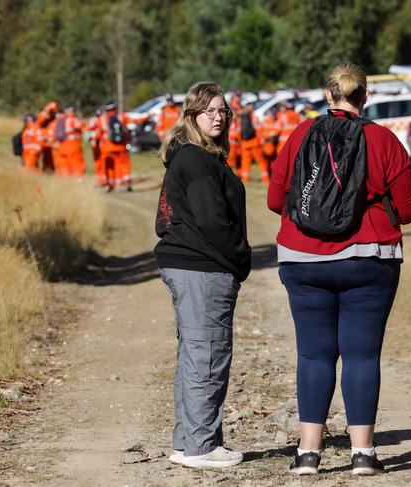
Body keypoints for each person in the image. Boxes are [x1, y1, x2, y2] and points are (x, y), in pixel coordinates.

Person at [268, 63, 411, 476]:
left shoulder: (301, 134)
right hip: (369, 258)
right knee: (361, 354)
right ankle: (363, 454)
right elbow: (408, 211)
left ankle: (308, 454)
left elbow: (274, 197)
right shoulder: (384, 139)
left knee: (314, 354)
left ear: (328, 93)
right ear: (364, 96)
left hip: (303, 259)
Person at [154, 81, 251, 469]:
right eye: (209, 110)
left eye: (223, 110)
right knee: (207, 355)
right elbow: (212, 221)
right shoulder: (195, 159)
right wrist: (240, 259)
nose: (218, 116)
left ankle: (188, 441)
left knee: (195, 355)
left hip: (193, 266)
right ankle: (201, 446)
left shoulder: (196, 156)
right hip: (202, 269)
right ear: (191, 115)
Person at [96, 101, 132, 191]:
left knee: (110, 166)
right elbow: (132, 123)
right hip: (121, 146)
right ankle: (126, 181)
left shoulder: (101, 119)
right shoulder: (122, 116)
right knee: (124, 164)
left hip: (107, 147)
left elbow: (98, 134)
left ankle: (110, 183)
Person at [239, 104, 269, 184]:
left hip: (245, 143)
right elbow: (259, 130)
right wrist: (262, 141)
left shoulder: (242, 117)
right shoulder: (254, 117)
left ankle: (245, 179)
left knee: (245, 162)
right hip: (254, 142)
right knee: (261, 161)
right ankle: (265, 178)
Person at [57, 104, 85, 178]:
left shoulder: (62, 120)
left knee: (65, 166)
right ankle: (78, 181)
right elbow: (80, 125)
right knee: (76, 163)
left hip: (62, 145)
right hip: (72, 144)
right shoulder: (71, 119)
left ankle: (66, 182)